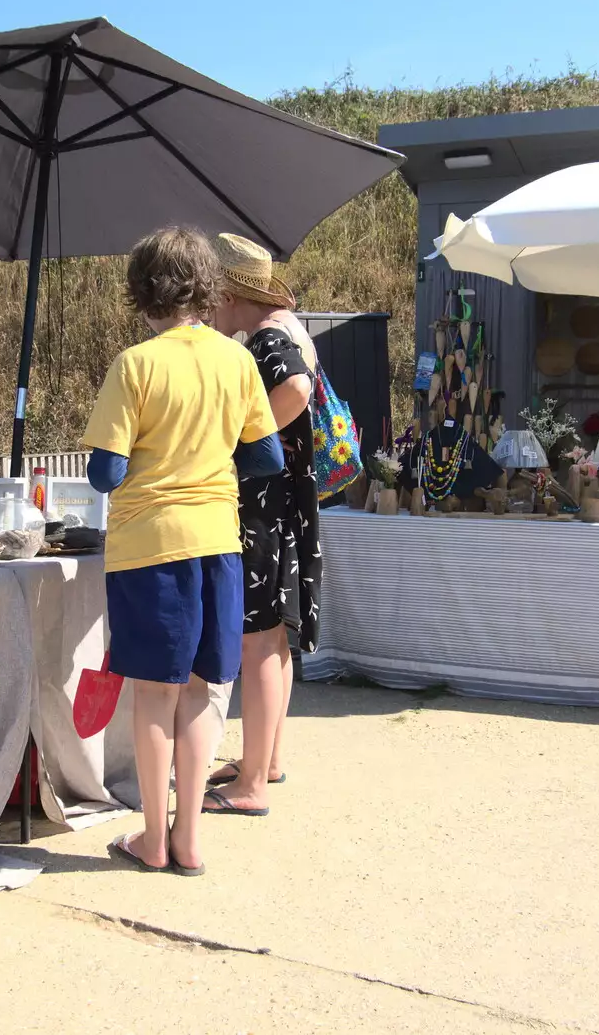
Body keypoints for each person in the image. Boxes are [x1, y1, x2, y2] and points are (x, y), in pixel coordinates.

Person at [83, 227, 283, 877]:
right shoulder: (238, 360)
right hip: (218, 543)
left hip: (149, 548)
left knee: (154, 695)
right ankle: (189, 837)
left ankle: (150, 837)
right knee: (203, 691)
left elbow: (106, 473)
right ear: (208, 286)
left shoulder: (135, 365)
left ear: (141, 289)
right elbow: (265, 456)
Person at [202, 233, 321, 817]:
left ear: (228, 293)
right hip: (281, 509)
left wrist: (242, 439)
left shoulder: (271, 339)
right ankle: (264, 760)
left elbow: (296, 388)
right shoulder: (283, 330)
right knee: (273, 638)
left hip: (259, 513)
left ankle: (249, 784)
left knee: (257, 640)